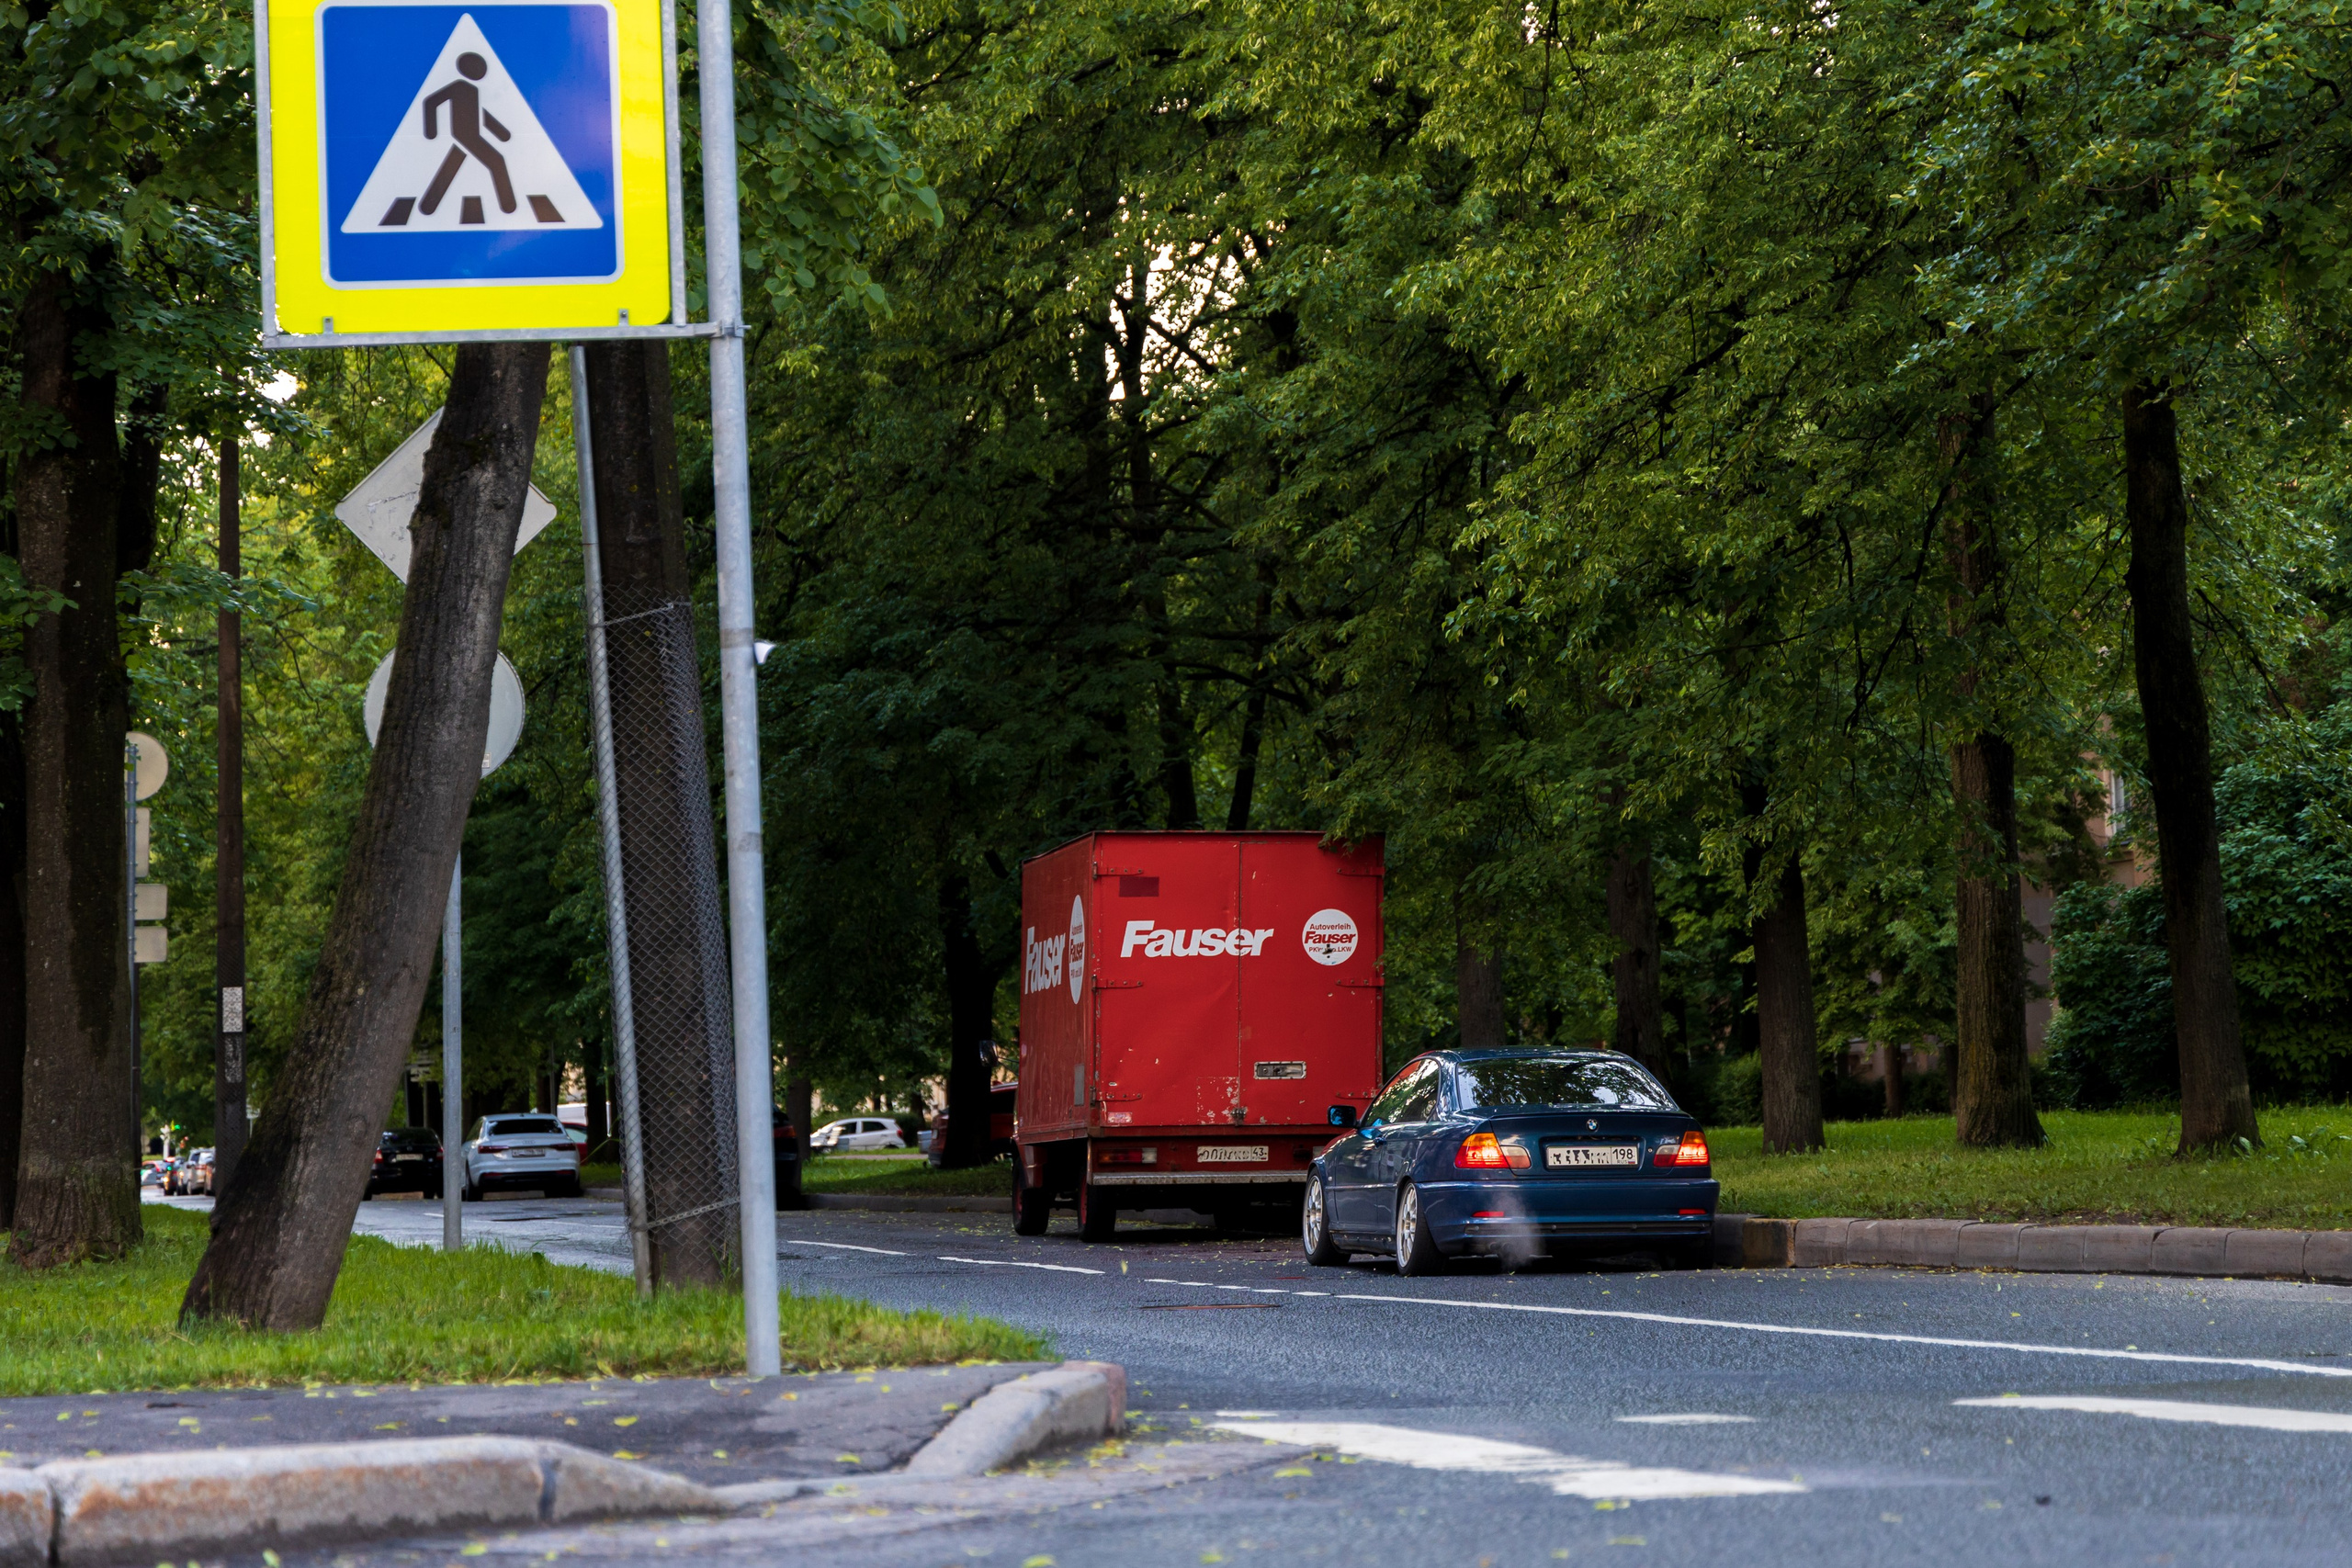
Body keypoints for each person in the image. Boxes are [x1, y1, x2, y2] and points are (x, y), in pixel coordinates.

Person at [418, 52, 515, 217]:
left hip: (468, 135)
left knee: (452, 165)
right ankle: (509, 206)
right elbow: (431, 102)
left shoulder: (472, 90)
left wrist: (501, 133)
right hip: (465, 135)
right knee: (497, 162)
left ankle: (428, 207)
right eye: (477, 67)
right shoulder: (458, 87)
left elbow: (480, 115)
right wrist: (431, 132)